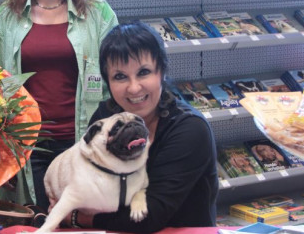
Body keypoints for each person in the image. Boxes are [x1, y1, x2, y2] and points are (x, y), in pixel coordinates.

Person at [0, 0, 118, 211]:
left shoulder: (98, 14)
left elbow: (115, 81)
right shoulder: (4, 20)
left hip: (86, 143)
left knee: (87, 223)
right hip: (30, 148)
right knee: (42, 220)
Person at [71, 22, 218, 232]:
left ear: (162, 72)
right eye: (120, 76)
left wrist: (79, 218)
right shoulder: (105, 116)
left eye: (143, 72)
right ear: (108, 82)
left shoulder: (190, 129)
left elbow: (149, 216)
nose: (133, 87)